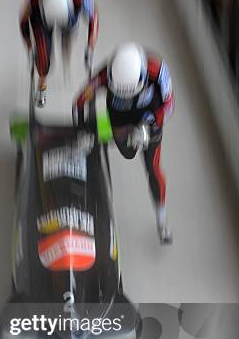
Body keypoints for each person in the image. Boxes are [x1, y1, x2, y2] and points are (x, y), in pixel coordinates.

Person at [73, 42, 174, 244]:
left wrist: (149, 126)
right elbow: (80, 102)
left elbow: (169, 104)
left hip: (148, 117)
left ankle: (162, 220)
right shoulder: (103, 75)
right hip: (120, 116)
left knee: (153, 169)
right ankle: (101, 133)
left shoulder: (157, 70)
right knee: (127, 152)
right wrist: (82, 130)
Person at [20, 0, 99, 107]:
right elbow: (23, 22)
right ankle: (42, 83)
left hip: (68, 20)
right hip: (41, 20)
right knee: (43, 56)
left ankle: (66, 59)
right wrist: (29, 46)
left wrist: (90, 43)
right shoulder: (34, 0)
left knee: (67, 42)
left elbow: (94, 18)